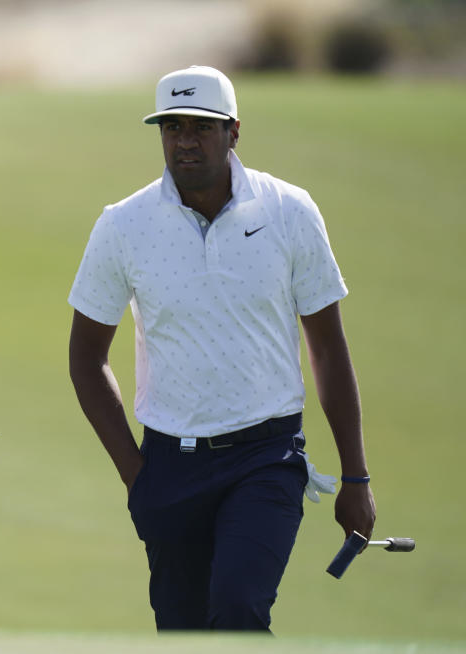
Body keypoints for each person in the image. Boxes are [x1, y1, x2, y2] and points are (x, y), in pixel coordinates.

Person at [67, 66, 376, 631]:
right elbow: (86, 358)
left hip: (267, 457)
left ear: (234, 132)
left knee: (238, 611)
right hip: (169, 465)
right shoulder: (124, 225)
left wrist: (355, 476)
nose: (185, 141)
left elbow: (329, 351)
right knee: (183, 631)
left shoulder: (289, 211)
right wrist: (135, 476)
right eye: (172, 126)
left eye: (202, 127)